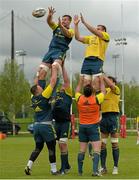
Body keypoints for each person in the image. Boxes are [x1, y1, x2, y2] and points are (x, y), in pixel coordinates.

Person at [24, 65, 59, 176]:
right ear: (38, 91)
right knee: (51, 148)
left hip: (36, 126)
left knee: (38, 147)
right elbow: (53, 81)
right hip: (46, 126)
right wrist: (55, 68)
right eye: (40, 88)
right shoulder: (44, 95)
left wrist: (38, 73)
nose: (41, 87)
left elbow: (35, 85)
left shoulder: (32, 97)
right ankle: (53, 170)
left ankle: (28, 166)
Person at [35, 6, 74, 86]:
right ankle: (40, 95)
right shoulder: (57, 27)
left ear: (70, 22)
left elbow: (67, 34)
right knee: (41, 72)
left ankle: (53, 94)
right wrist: (50, 15)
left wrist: (61, 26)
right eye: (62, 19)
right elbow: (49, 22)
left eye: (65, 20)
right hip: (50, 51)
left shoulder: (71, 31)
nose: (63, 21)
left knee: (55, 67)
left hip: (60, 52)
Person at [75, 76, 105, 176]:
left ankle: (80, 172)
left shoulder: (79, 98)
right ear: (93, 92)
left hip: (82, 127)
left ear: (84, 92)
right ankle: (95, 171)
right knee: (97, 150)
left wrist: (80, 80)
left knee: (82, 150)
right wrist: (101, 80)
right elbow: (104, 91)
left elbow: (77, 90)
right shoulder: (96, 99)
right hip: (93, 127)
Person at [73, 14, 110, 89]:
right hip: (87, 60)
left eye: (98, 29)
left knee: (95, 82)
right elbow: (77, 38)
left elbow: (95, 31)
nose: (96, 30)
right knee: (86, 83)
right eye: (97, 28)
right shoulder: (91, 37)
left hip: (97, 60)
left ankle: (95, 99)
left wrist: (84, 22)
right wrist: (76, 25)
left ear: (104, 31)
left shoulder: (106, 36)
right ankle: (86, 99)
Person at [52, 66, 72, 174]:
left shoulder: (68, 94)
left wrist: (62, 66)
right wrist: (54, 70)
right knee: (60, 145)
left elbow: (67, 80)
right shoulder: (55, 94)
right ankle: (66, 165)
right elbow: (53, 82)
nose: (63, 85)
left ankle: (64, 169)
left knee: (63, 143)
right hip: (57, 122)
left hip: (65, 122)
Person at [100, 75, 120, 175]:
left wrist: (103, 76)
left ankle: (115, 167)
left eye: (109, 81)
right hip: (104, 118)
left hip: (113, 117)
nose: (107, 83)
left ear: (114, 82)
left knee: (114, 143)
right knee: (102, 144)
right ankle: (103, 167)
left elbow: (111, 85)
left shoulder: (116, 89)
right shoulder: (103, 92)